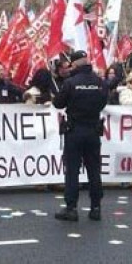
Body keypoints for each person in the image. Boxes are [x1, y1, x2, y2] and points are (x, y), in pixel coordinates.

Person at [53, 51, 108, 222]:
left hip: (75, 130)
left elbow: (58, 103)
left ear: (74, 64)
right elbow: (103, 102)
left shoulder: (70, 82)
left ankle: (71, 208)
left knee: (72, 171)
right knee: (94, 170)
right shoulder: (99, 82)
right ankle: (96, 207)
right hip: (93, 130)